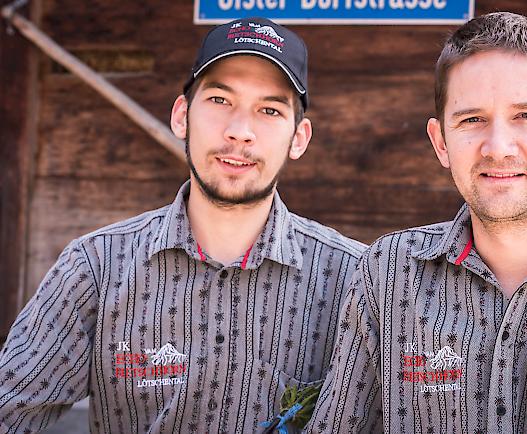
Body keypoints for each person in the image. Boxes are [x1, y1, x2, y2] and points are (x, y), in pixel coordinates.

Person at [0, 17, 365, 433]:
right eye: (220, 100)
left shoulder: (354, 279)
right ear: (181, 117)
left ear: (298, 138)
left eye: (269, 110)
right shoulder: (96, 266)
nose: (240, 132)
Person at [306, 12, 527, 434]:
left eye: (526, 115)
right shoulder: (388, 273)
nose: (498, 147)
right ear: (441, 142)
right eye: (472, 119)